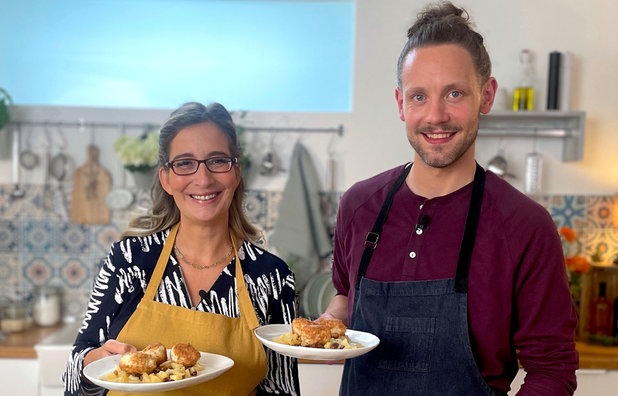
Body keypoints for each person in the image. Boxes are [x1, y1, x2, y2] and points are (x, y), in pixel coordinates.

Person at [319, 2, 578, 395]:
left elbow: (553, 369)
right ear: (400, 104)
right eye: (419, 96)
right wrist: (325, 329)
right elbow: (343, 297)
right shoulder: (358, 205)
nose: (435, 116)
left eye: (454, 93)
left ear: (486, 96)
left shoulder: (525, 226)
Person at [63, 102, 300, 396]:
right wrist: (93, 361)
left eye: (217, 160)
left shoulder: (272, 277)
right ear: (166, 178)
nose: (203, 178)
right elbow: (74, 375)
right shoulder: (129, 261)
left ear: (235, 172)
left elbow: (284, 389)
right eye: (184, 163)